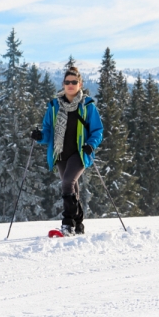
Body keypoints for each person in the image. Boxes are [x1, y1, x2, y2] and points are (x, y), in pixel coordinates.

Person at [31, 66, 103, 236]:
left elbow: (97, 130)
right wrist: (39, 135)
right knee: (72, 187)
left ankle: (67, 224)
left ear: (80, 84)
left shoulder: (88, 106)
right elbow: (48, 131)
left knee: (67, 183)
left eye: (74, 82)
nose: (70, 85)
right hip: (60, 152)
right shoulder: (54, 106)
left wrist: (91, 144)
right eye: (67, 82)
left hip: (79, 153)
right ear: (63, 84)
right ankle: (79, 225)